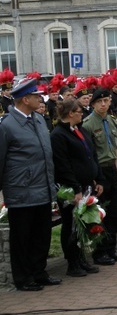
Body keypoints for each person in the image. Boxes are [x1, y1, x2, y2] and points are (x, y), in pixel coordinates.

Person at [0, 78, 60, 291]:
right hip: (21, 192)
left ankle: (39, 272)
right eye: (36, 96)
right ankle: (23, 278)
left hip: (42, 188)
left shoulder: (38, 120)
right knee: (22, 238)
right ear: (25, 99)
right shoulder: (7, 125)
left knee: (41, 235)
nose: (40, 99)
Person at [51, 98, 105, 276]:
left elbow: (91, 154)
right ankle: (72, 262)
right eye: (79, 112)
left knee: (83, 223)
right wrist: (76, 188)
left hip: (87, 184)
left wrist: (97, 177)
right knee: (71, 224)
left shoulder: (79, 130)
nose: (82, 114)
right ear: (70, 114)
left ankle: (82, 258)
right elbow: (63, 164)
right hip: (71, 188)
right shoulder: (59, 135)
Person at [81, 88, 117, 266]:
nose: (103, 104)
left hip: (111, 169)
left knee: (115, 212)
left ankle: (111, 248)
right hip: (98, 170)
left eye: (106, 101)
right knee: (101, 212)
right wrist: (94, 178)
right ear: (93, 104)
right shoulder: (88, 124)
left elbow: (115, 148)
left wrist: (116, 169)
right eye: (99, 102)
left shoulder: (111, 120)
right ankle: (100, 252)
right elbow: (88, 154)